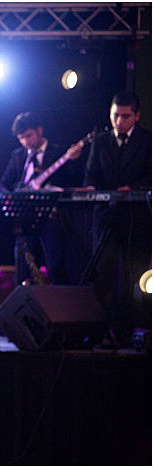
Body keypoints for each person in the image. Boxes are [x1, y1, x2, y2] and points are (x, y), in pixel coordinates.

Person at [84, 91, 152, 345]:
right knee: (104, 274)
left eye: (125, 116)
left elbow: (150, 177)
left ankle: (133, 330)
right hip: (105, 218)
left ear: (136, 116)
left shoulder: (148, 141)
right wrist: (91, 189)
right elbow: (90, 176)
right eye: (115, 116)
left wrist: (132, 188)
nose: (119, 121)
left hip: (137, 219)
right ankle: (101, 332)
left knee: (136, 276)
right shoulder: (101, 141)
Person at [0, 111, 85, 285]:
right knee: (24, 270)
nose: (25, 142)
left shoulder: (59, 153)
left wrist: (74, 160)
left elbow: (75, 180)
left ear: (39, 130)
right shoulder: (18, 156)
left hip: (52, 220)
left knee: (56, 266)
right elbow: (3, 185)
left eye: (28, 136)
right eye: (21, 138)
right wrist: (10, 200)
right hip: (26, 221)